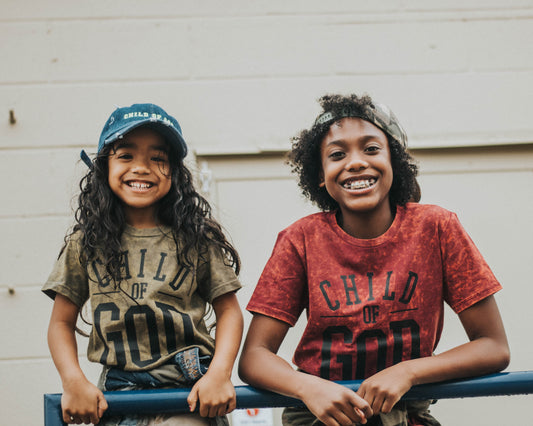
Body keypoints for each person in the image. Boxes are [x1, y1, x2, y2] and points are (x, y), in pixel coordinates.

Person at [238, 93, 509, 426]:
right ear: (320, 175)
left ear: (393, 160)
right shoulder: (300, 240)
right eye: (337, 154)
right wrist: (308, 388)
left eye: (371, 149)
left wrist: (408, 372)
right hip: (320, 415)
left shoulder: (436, 228)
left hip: (406, 412)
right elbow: (254, 357)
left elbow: (493, 346)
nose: (355, 162)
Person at [43, 103, 243, 426]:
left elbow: (230, 311)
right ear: (103, 166)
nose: (141, 168)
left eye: (157, 158)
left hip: (187, 388)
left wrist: (220, 373)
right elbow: (60, 324)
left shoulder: (196, 238)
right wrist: (73, 380)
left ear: (174, 172)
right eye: (126, 156)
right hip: (121, 394)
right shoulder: (86, 243)